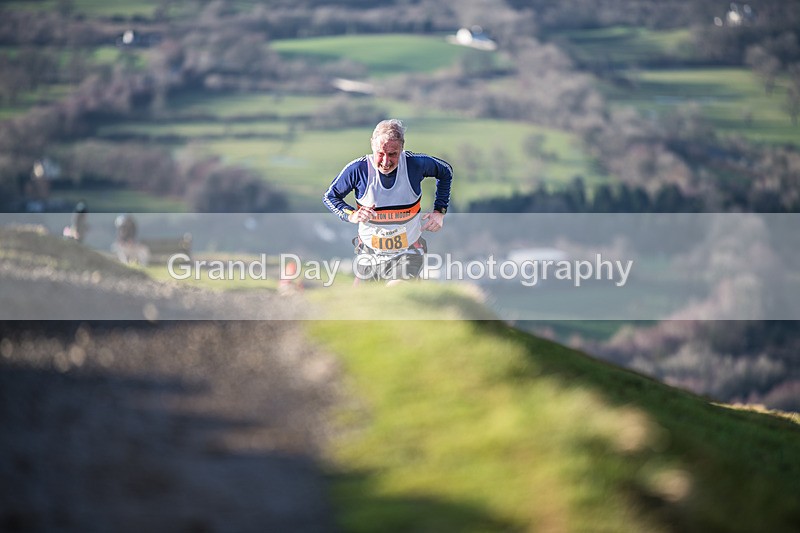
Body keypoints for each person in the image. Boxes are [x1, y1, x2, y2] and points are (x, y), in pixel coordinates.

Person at [323, 119, 453, 284]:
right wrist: (351, 215)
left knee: (397, 288)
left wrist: (439, 211)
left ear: (402, 148)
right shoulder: (358, 169)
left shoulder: (415, 165)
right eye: (380, 153)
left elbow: (445, 171)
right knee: (361, 300)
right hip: (369, 255)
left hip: (407, 253)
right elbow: (330, 197)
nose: (386, 162)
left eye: (393, 154)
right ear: (372, 145)